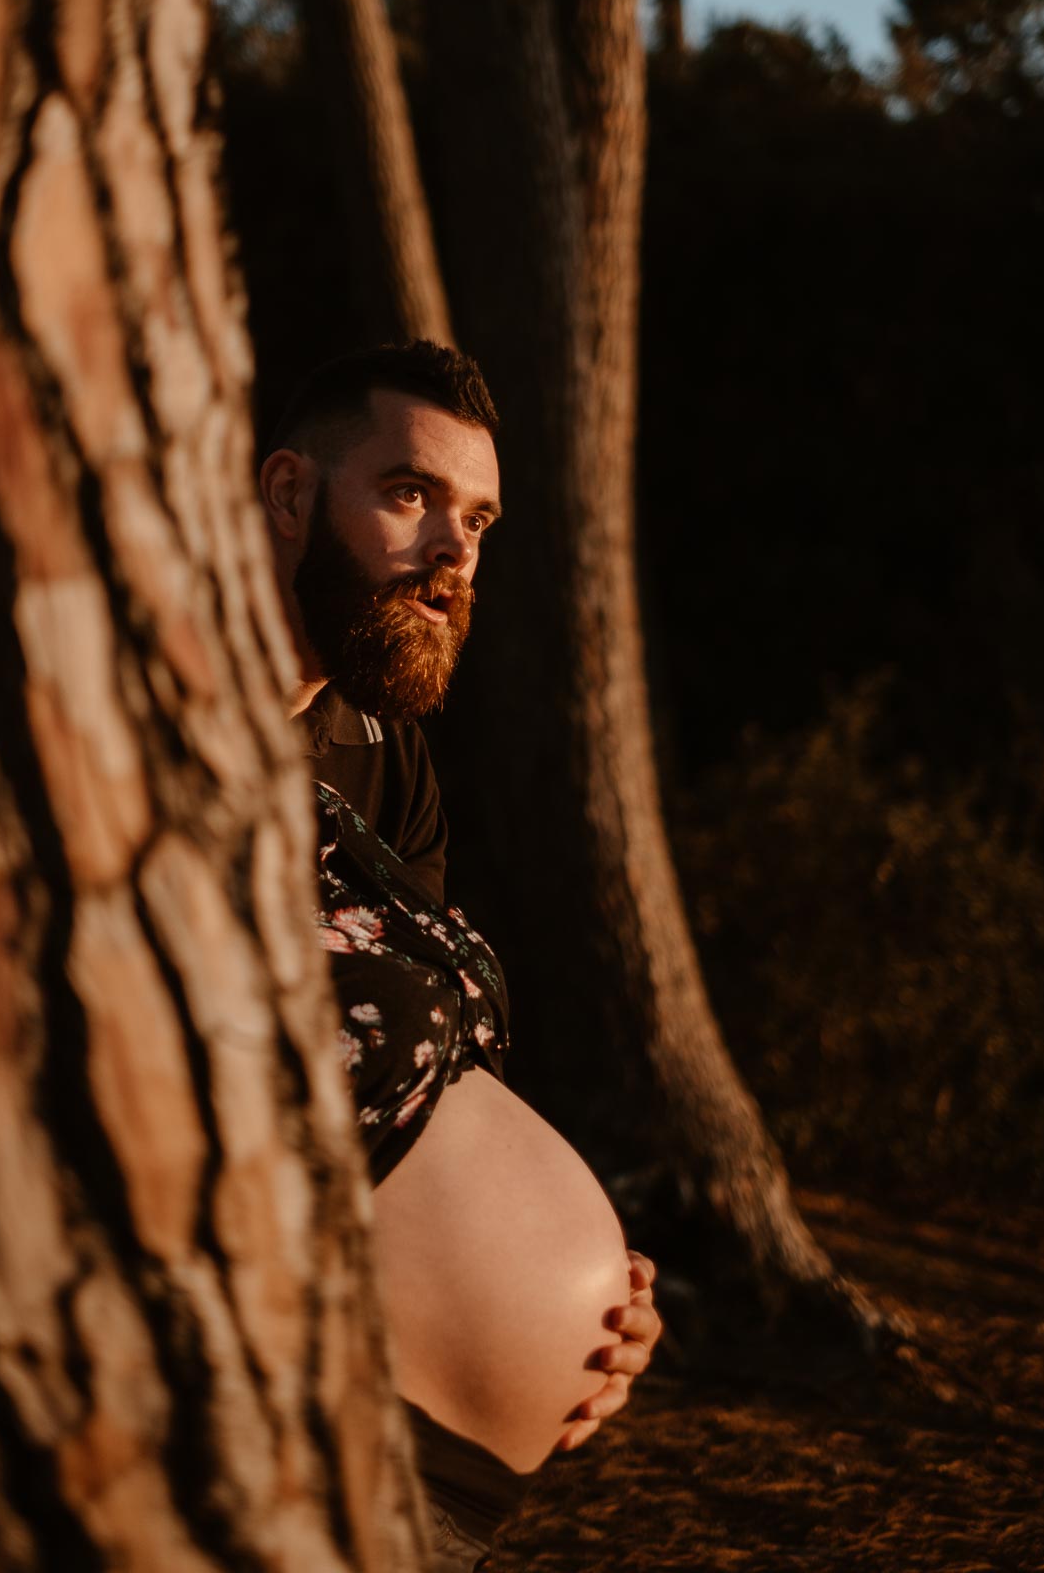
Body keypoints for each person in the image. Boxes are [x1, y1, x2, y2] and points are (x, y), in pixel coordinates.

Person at [260, 341, 661, 1571]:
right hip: (265, 1416)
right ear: (286, 496)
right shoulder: (131, 716)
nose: (453, 553)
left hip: (435, 1479)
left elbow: (420, 1084)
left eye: (477, 519)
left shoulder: (379, 754)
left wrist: (590, 1299)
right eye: (407, 494)